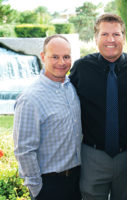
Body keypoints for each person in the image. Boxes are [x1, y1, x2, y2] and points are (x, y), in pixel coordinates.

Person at [69, 13, 127, 200]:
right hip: (92, 155)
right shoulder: (81, 68)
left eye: (116, 34)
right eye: (104, 34)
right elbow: (61, 95)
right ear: (96, 38)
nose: (110, 40)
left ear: (124, 37)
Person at [13, 34, 82, 200]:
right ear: (43, 57)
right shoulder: (31, 98)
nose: (61, 62)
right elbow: (24, 150)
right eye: (55, 57)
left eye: (66, 57)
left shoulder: (71, 87)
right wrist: (37, 190)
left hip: (77, 179)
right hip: (50, 185)